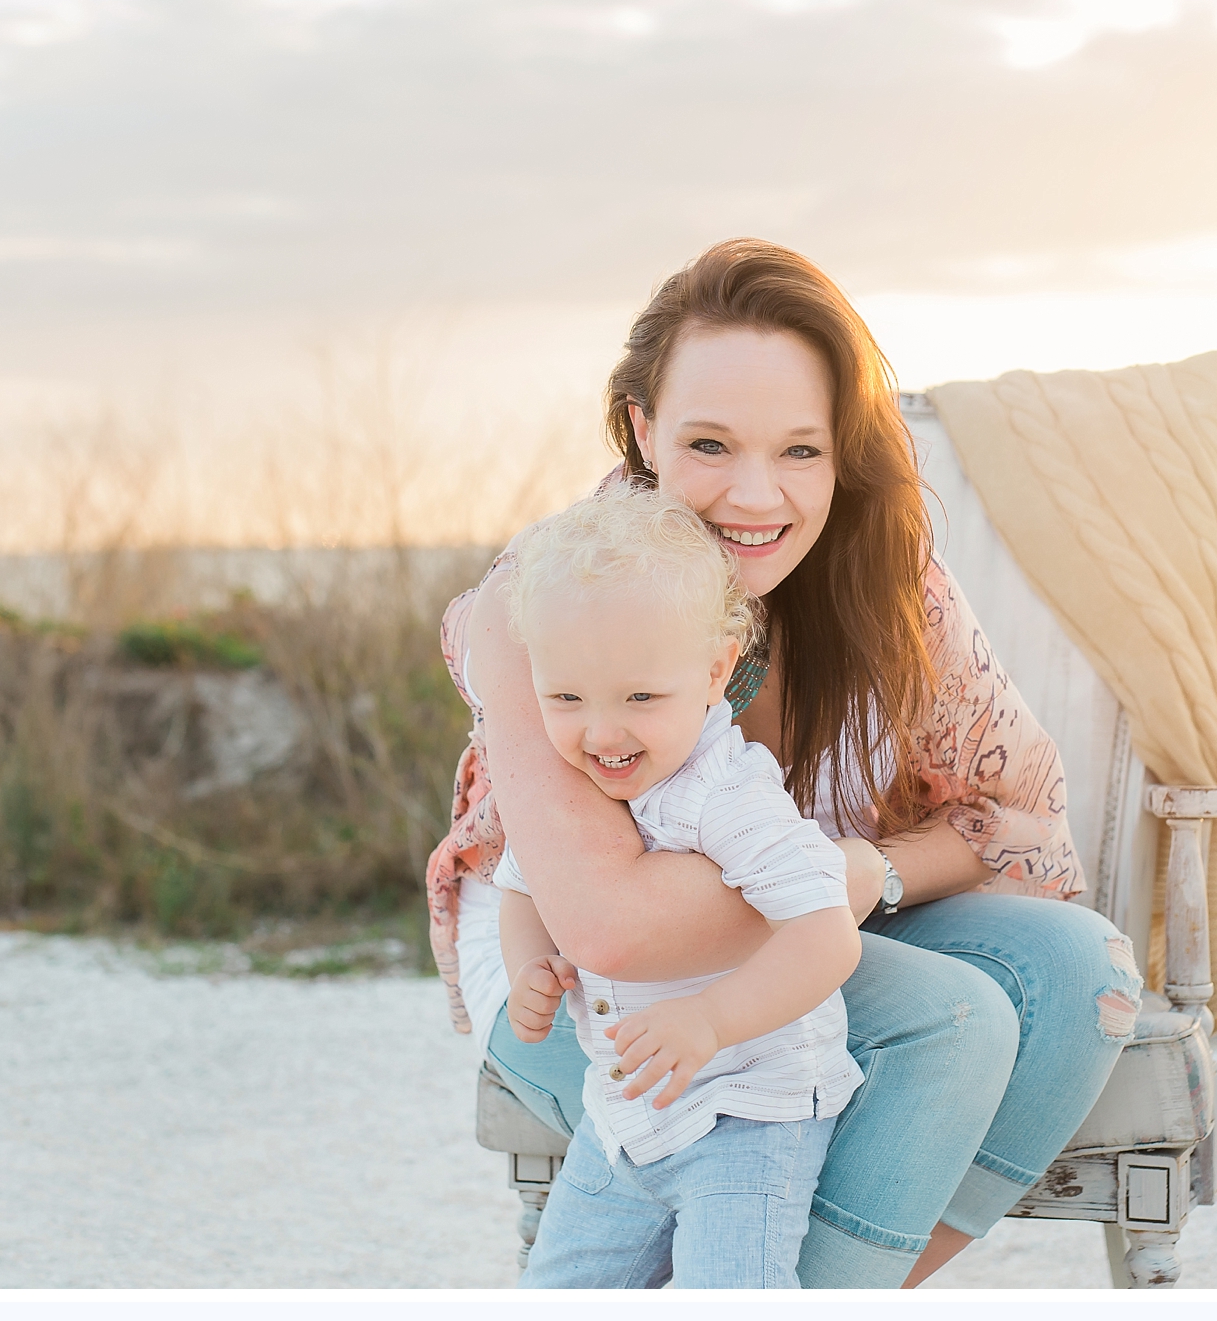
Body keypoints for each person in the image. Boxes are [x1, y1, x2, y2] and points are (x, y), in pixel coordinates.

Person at [424, 238, 1144, 1289]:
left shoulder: (891, 584)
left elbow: (1025, 814)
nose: (756, 496)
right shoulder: (545, 597)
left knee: (1078, 971)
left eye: (799, 451)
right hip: (579, 966)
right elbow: (611, 921)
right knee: (954, 1018)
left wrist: (872, 874)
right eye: (711, 443)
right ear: (642, 430)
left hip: (796, 910)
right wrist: (819, 885)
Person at [499, 484, 866, 1289]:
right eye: (565, 698)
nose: (602, 732)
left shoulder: (727, 795)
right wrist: (530, 964)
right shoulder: (572, 784)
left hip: (749, 1110)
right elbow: (524, 884)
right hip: (625, 1118)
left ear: (714, 672)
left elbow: (826, 931)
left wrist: (711, 1018)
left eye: (640, 697)